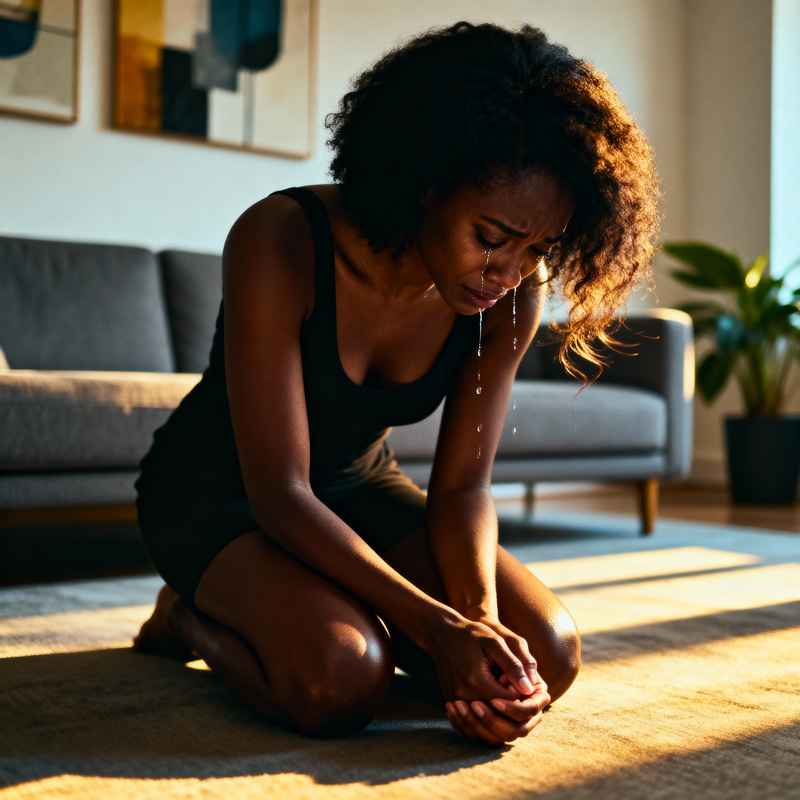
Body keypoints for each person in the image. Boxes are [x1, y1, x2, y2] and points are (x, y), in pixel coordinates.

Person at [133, 21, 659, 745]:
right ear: (426, 185)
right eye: (494, 237)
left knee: (546, 656)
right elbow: (279, 491)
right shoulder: (280, 240)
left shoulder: (511, 294)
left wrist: (478, 621)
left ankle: (334, 611)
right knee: (342, 682)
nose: (507, 272)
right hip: (221, 494)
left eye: (538, 248)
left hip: (356, 489)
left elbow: (464, 489)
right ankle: (189, 616)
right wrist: (436, 627)